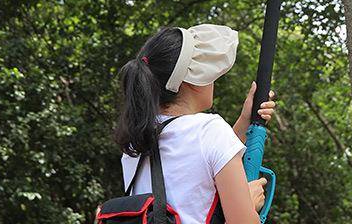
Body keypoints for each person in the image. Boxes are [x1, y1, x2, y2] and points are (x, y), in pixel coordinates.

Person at [114, 24, 277, 224]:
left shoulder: (134, 143)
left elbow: (202, 160)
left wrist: (245, 119)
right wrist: (248, 206)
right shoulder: (210, 131)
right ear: (192, 81)